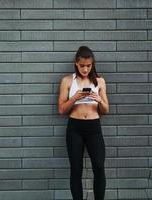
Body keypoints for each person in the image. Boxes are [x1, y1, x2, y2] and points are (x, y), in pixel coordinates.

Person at [58, 46, 109, 200]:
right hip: (75, 127)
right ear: (76, 63)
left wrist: (99, 99)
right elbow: (61, 109)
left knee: (99, 167)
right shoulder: (67, 80)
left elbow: (106, 110)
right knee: (76, 169)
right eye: (82, 66)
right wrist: (75, 98)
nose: (85, 69)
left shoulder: (99, 81)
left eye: (88, 66)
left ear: (92, 64)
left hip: (94, 127)